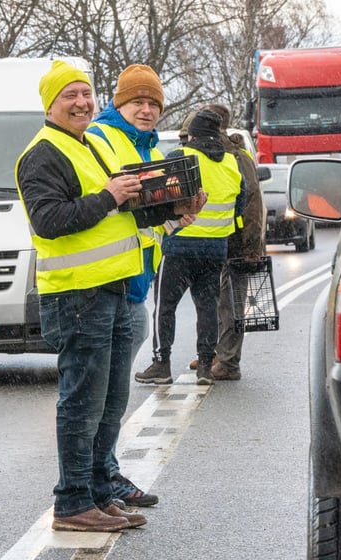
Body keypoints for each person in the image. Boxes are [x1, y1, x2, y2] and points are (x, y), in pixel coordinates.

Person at [15, 60, 204, 532]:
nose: (80, 102)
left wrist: (176, 214)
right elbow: (50, 221)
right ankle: (72, 502)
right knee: (80, 405)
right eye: (69, 96)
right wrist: (110, 197)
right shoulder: (42, 154)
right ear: (51, 104)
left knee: (105, 404)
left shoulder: (82, 147)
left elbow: (121, 217)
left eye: (85, 93)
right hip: (77, 297)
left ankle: (98, 491)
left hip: (113, 291)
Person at [88, 63, 195, 508]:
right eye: (138, 102)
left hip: (134, 284)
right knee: (97, 398)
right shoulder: (101, 140)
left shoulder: (148, 148)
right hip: (101, 286)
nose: (147, 110)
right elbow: (100, 210)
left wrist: (177, 219)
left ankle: (105, 476)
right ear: (118, 102)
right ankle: (94, 483)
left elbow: (141, 224)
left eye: (154, 104)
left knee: (113, 396)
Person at [135, 109, 246, 386]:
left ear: (192, 135)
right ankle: (206, 367)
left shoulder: (179, 158)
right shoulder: (232, 164)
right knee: (207, 307)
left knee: (165, 306)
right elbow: (241, 206)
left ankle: (162, 364)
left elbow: (156, 197)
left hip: (180, 246)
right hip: (215, 249)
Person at [201, 103, 266, 381]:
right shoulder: (216, 154)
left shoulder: (237, 157)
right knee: (217, 302)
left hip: (239, 242)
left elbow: (252, 203)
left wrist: (252, 247)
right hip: (218, 240)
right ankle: (217, 353)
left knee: (231, 304)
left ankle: (229, 363)